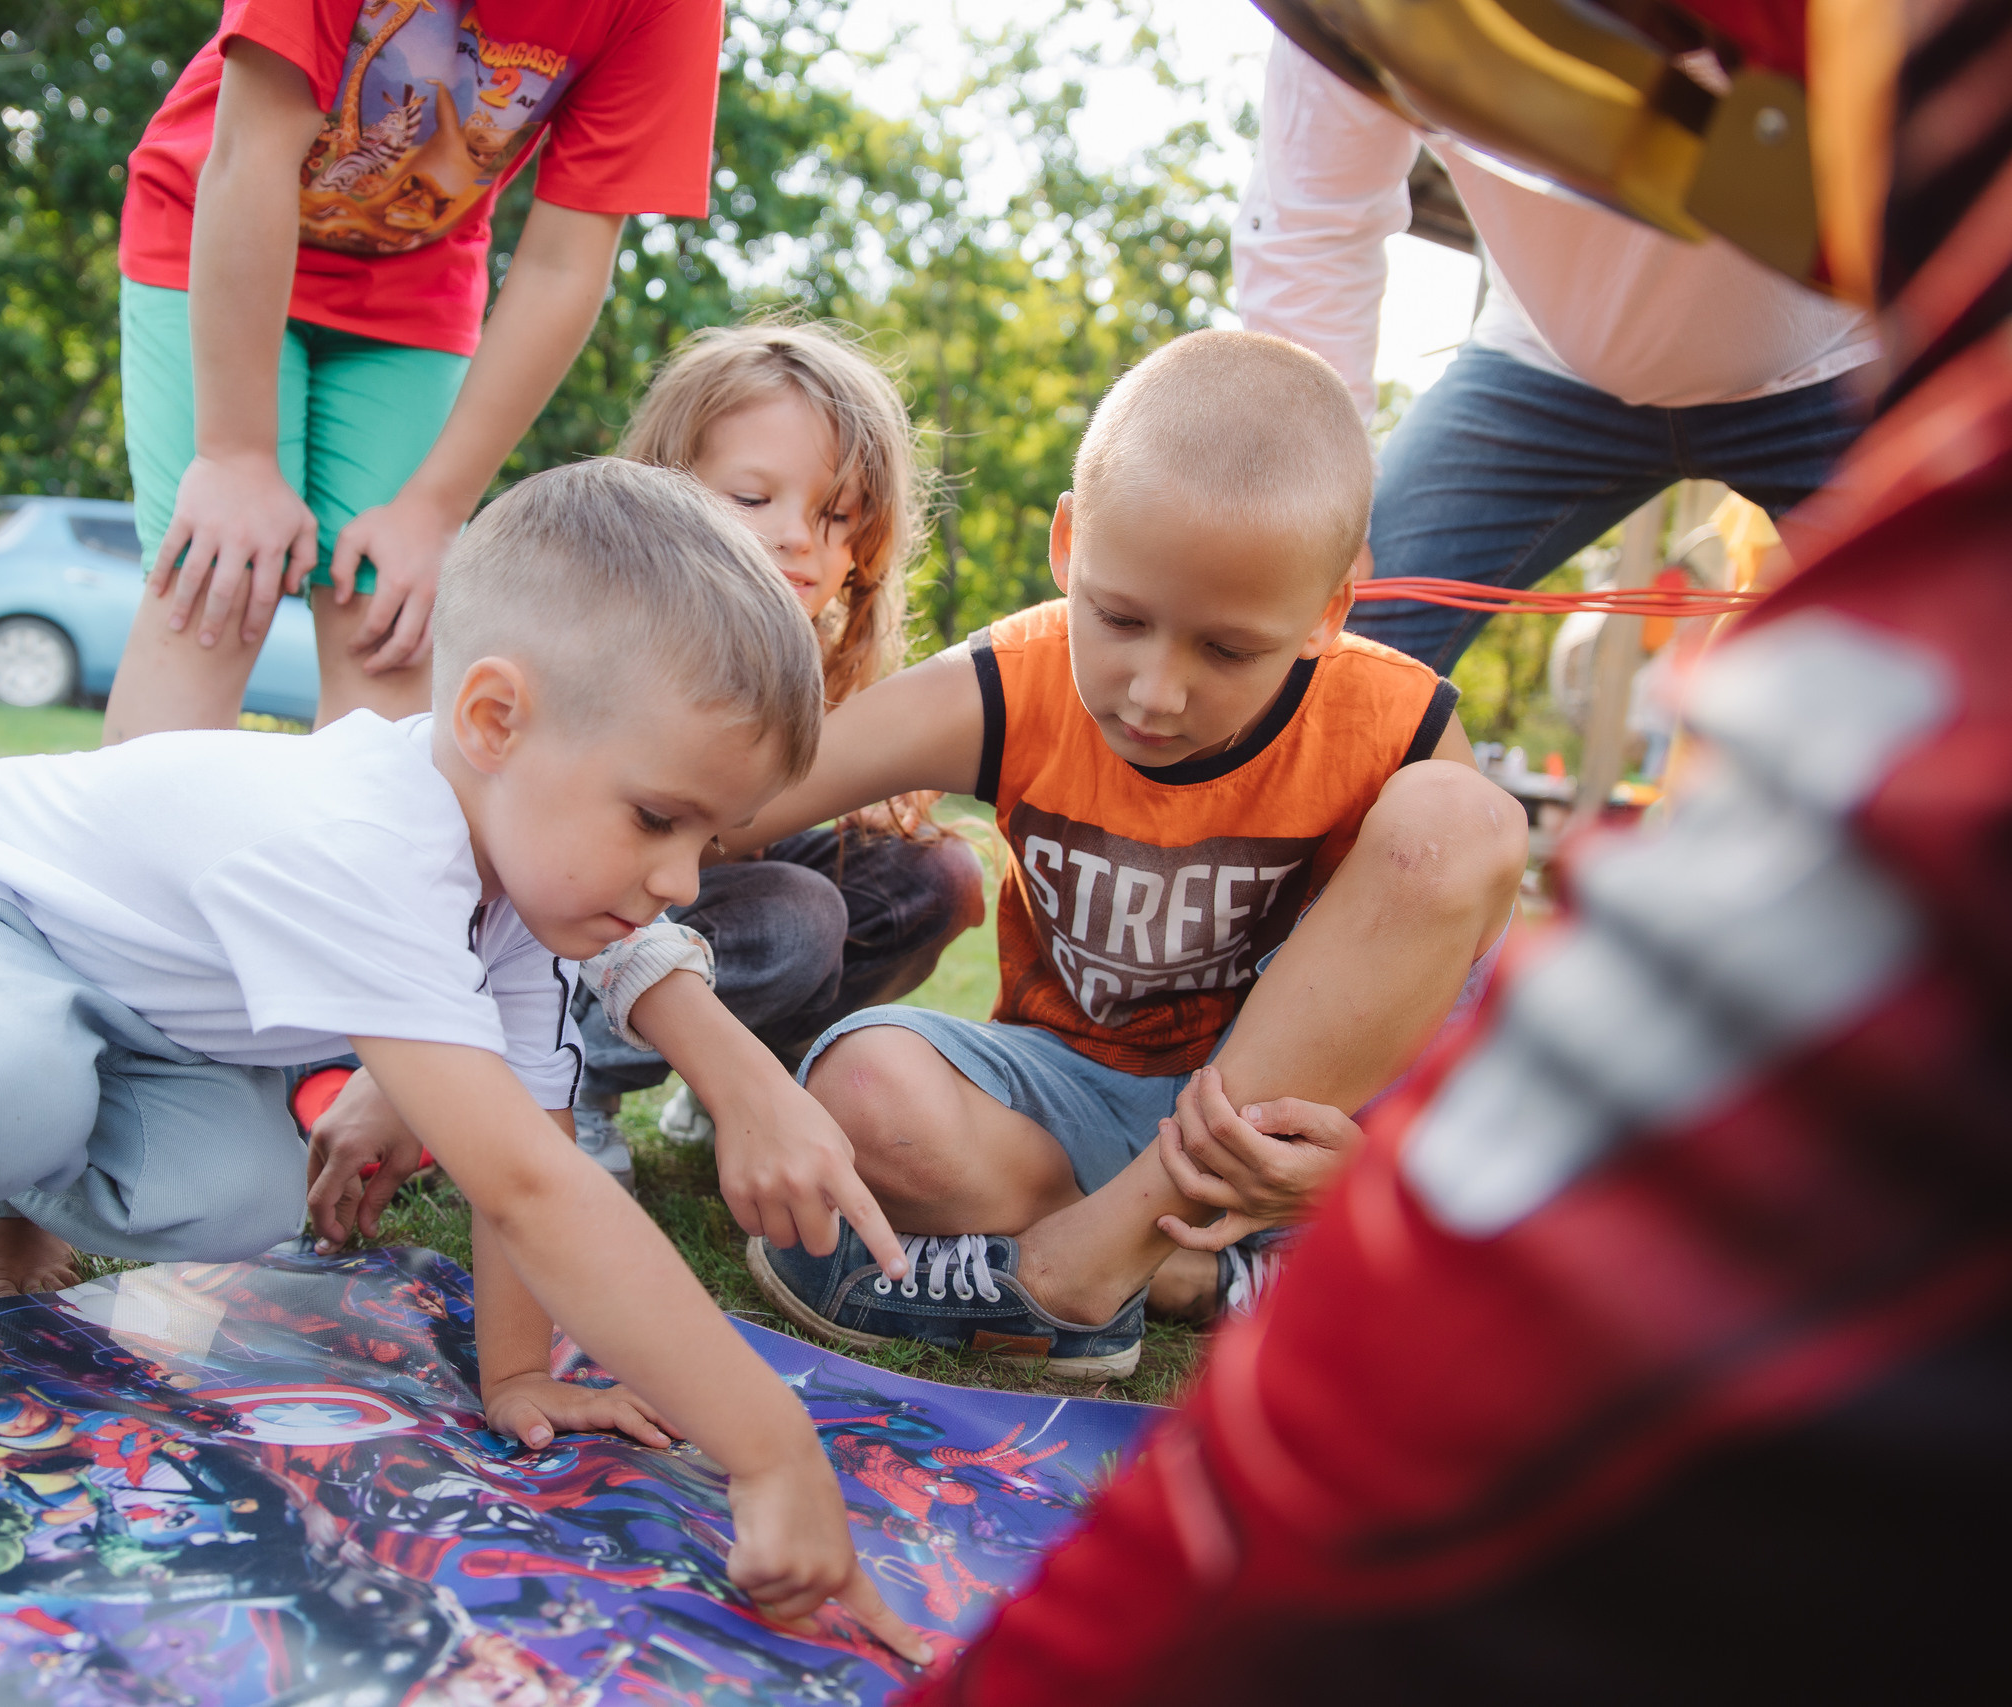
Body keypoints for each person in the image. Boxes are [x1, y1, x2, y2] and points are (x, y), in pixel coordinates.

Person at [906, 0, 2012, 1695]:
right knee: (1270, 628)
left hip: (1826, 357)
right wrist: (1246, 594)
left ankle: (1318, 1159)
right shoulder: (1342, 34)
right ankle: (1227, 1121)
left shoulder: (1914, 130)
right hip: (1546, 370)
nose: (1157, 681)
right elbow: (1304, 281)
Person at [0, 457, 930, 1660]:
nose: (673, 882)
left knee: (239, 1201)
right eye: (657, 818)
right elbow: (527, 1194)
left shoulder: (525, 896)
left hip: (148, 1027)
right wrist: (770, 1449)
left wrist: (513, 1376)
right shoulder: (369, 840)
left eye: (705, 839)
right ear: (494, 719)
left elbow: (537, 1149)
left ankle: (10, 1190)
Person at [729, 329, 1528, 1376]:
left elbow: (1459, 991)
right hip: (1080, 1101)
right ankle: (1192, 1268)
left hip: (1284, 1132)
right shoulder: (1012, 683)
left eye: (1228, 650)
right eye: (1116, 617)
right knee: (860, 1094)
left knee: (1464, 819)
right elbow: (736, 797)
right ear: (1068, 547)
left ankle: (1087, 1271)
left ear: (1328, 609)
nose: (1155, 691)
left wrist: (1370, 1164)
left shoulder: (1399, 720)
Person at [301, 321, 989, 1210]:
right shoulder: (604, 644)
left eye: (835, 514)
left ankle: (755, 1088)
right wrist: (404, 1068)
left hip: (663, 914)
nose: (794, 538)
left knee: (933, 876)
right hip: (539, 927)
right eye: (751, 497)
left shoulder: (812, 670)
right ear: (663, 492)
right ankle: (562, 1077)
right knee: (796, 917)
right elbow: (525, 874)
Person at [105, 0, 724, 737]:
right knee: (219, 586)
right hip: (212, 238)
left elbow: (565, 262)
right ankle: (129, 847)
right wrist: (235, 456)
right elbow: (250, 151)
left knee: (395, 633)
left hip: (410, 296)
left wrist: (435, 509)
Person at [1233, 29, 1878, 673]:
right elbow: (1309, 219)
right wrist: (1316, 494)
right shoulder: (1357, 17)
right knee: (1328, 630)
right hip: (1539, 366)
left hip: (1840, 364)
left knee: (1948, 669)